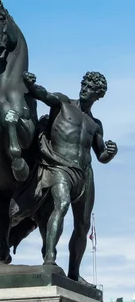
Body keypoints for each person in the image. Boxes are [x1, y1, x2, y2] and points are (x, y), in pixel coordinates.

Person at [22, 70, 118, 283]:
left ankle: (74, 272)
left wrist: (110, 153)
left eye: (91, 88)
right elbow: (44, 94)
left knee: (82, 225)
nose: (85, 89)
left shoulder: (95, 124)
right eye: (84, 84)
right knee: (62, 205)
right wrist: (30, 84)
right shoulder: (63, 103)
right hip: (60, 166)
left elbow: (100, 154)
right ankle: (50, 258)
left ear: (98, 95)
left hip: (85, 175)